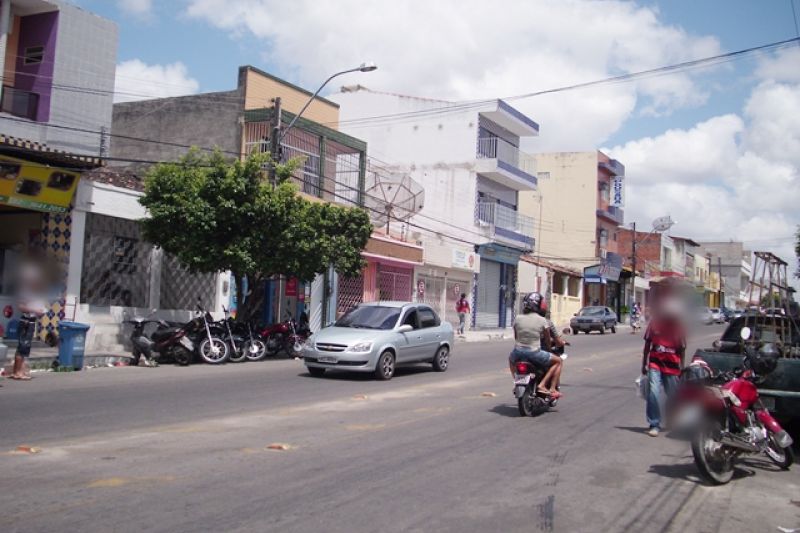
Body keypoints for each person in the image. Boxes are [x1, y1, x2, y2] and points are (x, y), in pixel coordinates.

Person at [641, 298, 686, 437]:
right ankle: (654, 423)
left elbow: (682, 348)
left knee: (674, 395)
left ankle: (672, 416)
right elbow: (647, 344)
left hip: (672, 366)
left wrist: (682, 368)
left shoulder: (678, 327)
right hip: (655, 363)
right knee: (653, 393)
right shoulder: (655, 324)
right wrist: (644, 364)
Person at [509, 292, 563, 397]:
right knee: (558, 361)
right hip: (534, 353)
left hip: (518, 352)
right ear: (538, 306)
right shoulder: (542, 320)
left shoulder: (517, 318)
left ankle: (516, 381)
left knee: (511, 360)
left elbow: (516, 337)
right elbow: (547, 341)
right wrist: (550, 350)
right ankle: (546, 386)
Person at [11, 255, 48, 381]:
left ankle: (19, 371)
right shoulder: (25, 291)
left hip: (31, 321)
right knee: (23, 346)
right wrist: (35, 310)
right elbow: (21, 307)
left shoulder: (33, 292)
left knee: (24, 347)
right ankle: (18, 372)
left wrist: (39, 312)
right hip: (26, 321)